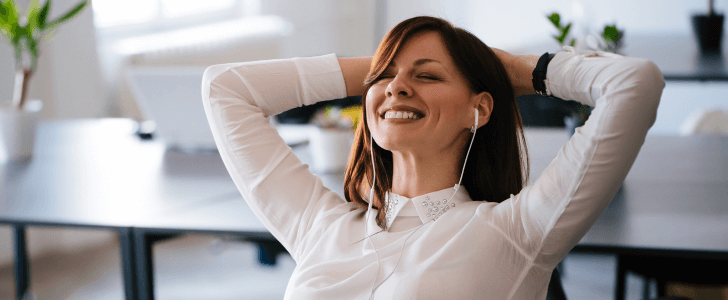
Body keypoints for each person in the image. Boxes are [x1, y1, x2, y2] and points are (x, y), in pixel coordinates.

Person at [201, 16, 664, 299]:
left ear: (478, 109)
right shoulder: (322, 227)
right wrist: (383, 70)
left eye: (428, 77)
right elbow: (225, 88)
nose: (399, 86)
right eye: (387, 75)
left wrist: (510, 70)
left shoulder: (516, 233)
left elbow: (634, 83)